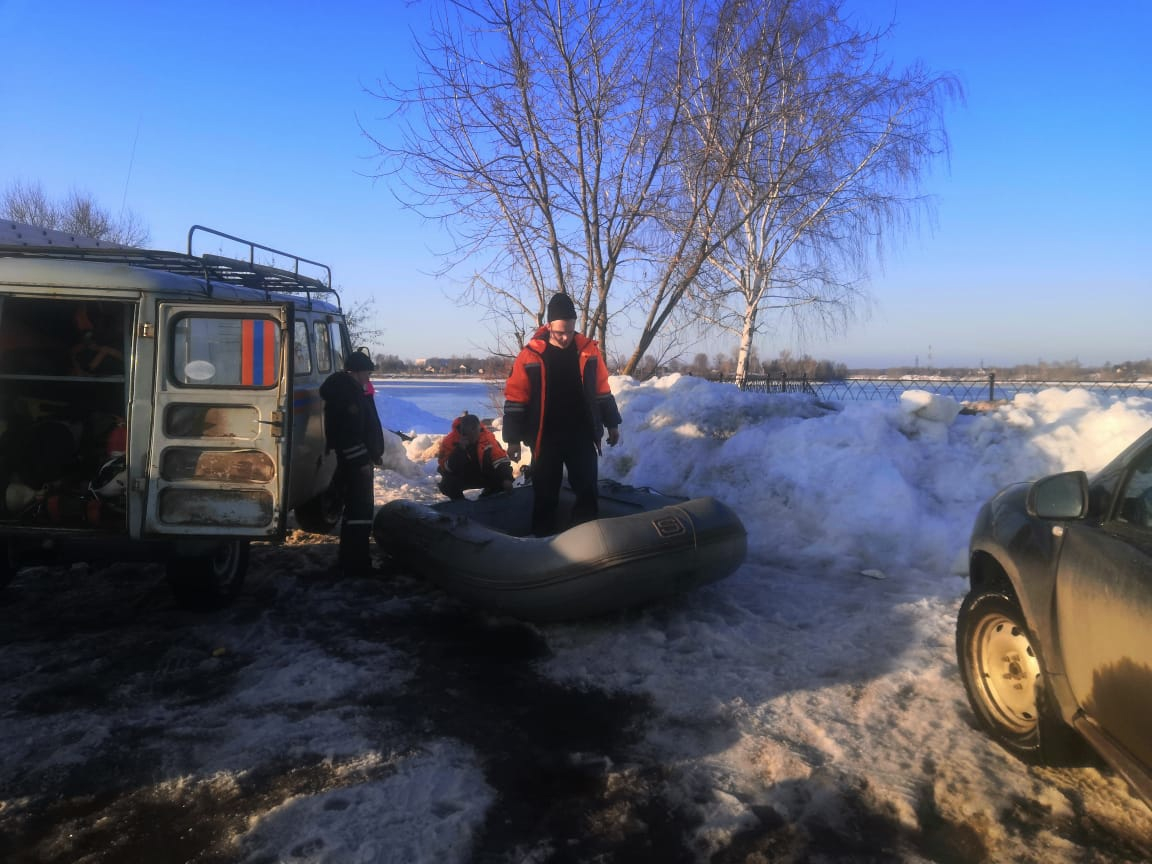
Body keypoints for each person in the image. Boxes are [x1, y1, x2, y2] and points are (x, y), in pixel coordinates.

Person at [503, 292, 622, 536]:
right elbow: (516, 399)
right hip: (545, 437)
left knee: (587, 490)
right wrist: (513, 440)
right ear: (549, 326)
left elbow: (602, 390)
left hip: (581, 434)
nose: (565, 337)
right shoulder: (530, 355)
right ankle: (542, 538)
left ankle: (587, 539)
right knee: (545, 493)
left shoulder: (589, 351)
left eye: (569, 330)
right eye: (559, 332)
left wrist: (612, 423)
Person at [319, 349, 385, 575]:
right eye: (367, 372)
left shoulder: (352, 391)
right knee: (359, 513)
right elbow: (348, 434)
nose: (369, 377)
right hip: (356, 463)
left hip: (357, 460)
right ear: (356, 371)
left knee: (357, 512)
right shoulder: (347, 394)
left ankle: (354, 560)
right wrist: (362, 461)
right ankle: (356, 563)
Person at [436, 412, 514, 500]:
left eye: (475, 432)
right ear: (462, 432)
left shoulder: (488, 438)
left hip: (483, 473)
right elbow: (446, 468)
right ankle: (459, 502)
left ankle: (488, 495)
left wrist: (506, 478)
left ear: (479, 428)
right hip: (462, 475)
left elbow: (501, 460)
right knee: (447, 484)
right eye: (469, 434)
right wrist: (459, 450)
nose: (473, 437)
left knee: (503, 480)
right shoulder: (449, 441)